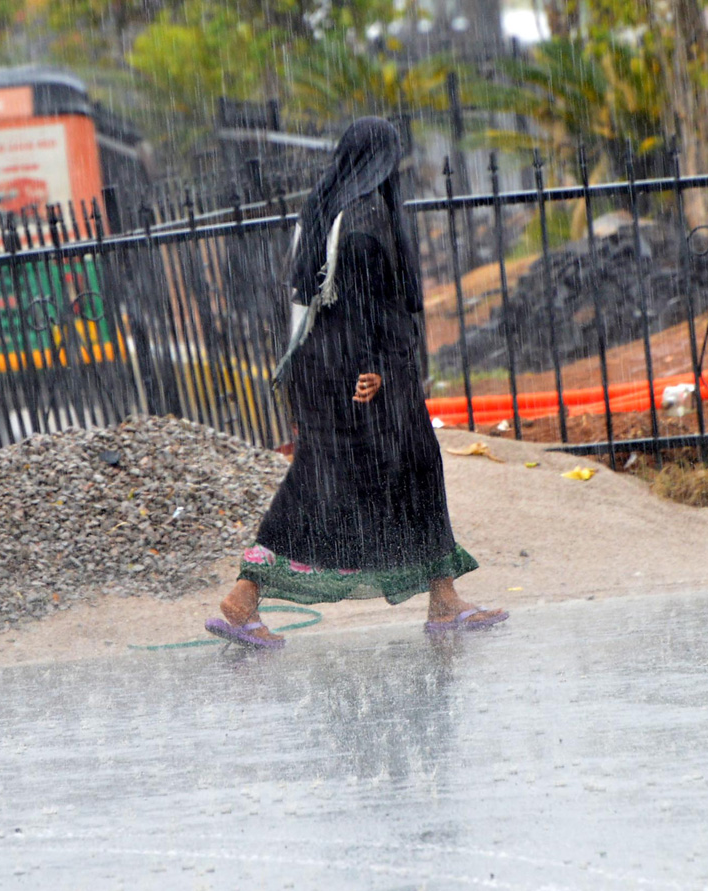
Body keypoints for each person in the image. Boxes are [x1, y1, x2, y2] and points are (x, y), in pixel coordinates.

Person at [205, 117, 507, 649]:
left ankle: (248, 598)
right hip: (366, 373)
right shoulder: (368, 215)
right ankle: (438, 601)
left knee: (331, 478)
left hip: (321, 369)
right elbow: (365, 300)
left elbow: (315, 294)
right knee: (401, 471)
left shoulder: (326, 208)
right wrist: (375, 368)